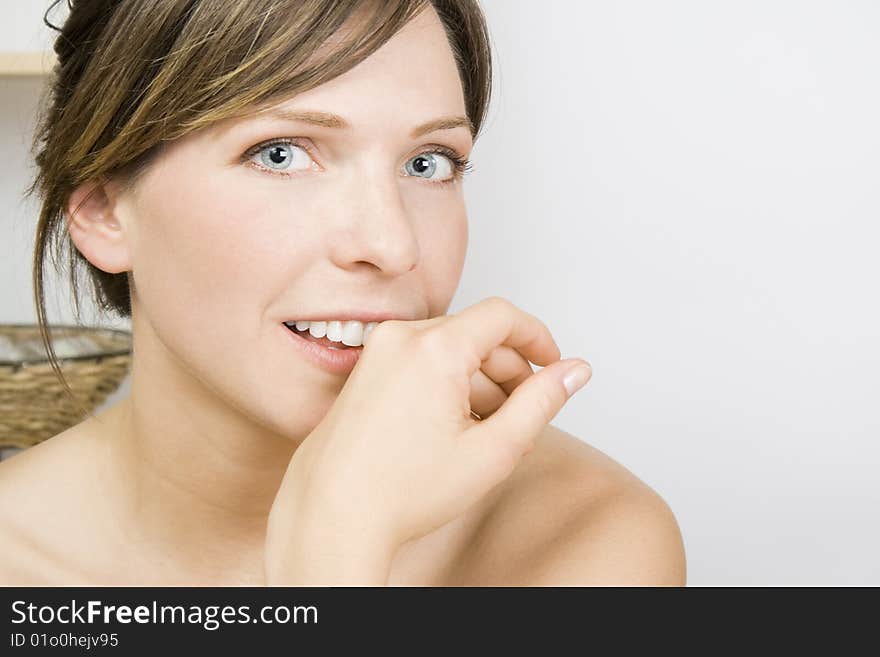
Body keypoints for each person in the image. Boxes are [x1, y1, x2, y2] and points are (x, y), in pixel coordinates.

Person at [0, 0, 685, 586]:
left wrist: (338, 543)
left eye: (427, 163)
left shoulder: (579, 539)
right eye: (281, 153)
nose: (392, 245)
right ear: (103, 212)